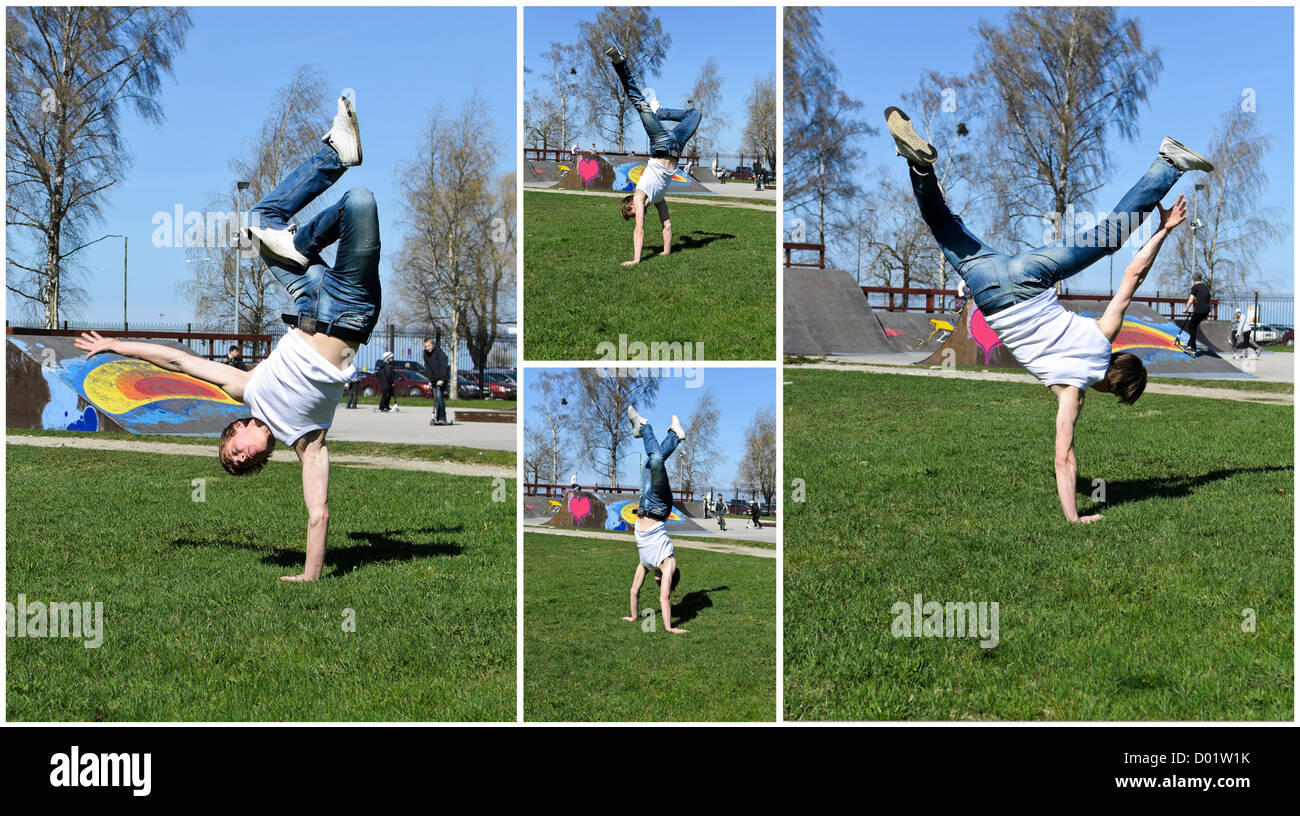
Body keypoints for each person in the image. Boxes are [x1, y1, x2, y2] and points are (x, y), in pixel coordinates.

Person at [74, 93, 371, 581]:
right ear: (259, 455)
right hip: (353, 312)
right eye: (244, 463)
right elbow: (318, 515)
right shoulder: (307, 443)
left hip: (308, 301)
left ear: (235, 432)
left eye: (232, 453)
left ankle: (337, 154)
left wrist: (115, 345)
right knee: (361, 203)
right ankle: (300, 241)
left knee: (257, 220)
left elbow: (178, 362)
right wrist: (309, 576)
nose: (242, 455)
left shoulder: (246, 388)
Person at [886, 105, 1212, 524]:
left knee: (1104, 238)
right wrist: (1074, 518)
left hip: (1029, 275)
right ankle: (920, 172)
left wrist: (1163, 230)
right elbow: (1064, 459)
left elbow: (1133, 272)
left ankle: (1168, 163)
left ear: (1120, 359)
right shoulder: (1071, 393)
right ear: (1111, 390)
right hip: (989, 288)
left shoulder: (1104, 334)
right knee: (941, 222)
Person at [606, 45, 701, 267]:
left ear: (630, 202)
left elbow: (640, 230)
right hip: (676, 146)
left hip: (660, 143)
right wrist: (666, 252)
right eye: (633, 215)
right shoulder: (658, 200)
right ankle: (661, 112)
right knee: (695, 113)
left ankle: (619, 61)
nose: (636, 215)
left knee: (640, 104)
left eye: (631, 212)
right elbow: (667, 226)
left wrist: (636, 259)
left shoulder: (639, 196)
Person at [621, 406, 688, 634]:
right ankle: (644, 425)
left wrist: (633, 616)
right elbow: (665, 598)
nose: (659, 583)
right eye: (662, 581)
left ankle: (674, 435)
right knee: (656, 461)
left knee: (651, 462)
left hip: (643, 503)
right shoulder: (668, 564)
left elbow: (633, 591)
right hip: (659, 506)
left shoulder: (646, 564)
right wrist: (669, 627)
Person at [1178, 271, 1213, 355]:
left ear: (1194, 279)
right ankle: (1190, 344)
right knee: (1194, 326)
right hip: (1207, 310)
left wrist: (1185, 309)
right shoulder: (1206, 287)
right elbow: (1208, 296)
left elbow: (1190, 300)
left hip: (1200, 310)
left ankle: (1192, 347)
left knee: (1191, 326)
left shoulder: (1195, 287)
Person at [422, 335, 450, 425]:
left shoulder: (439, 352)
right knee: (436, 398)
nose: (427, 348)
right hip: (433, 379)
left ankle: (442, 416)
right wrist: (430, 379)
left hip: (441, 378)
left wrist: (442, 379)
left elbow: (443, 366)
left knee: (439, 396)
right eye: (426, 346)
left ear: (433, 345)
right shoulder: (425, 354)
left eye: (429, 346)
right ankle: (437, 417)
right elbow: (428, 368)